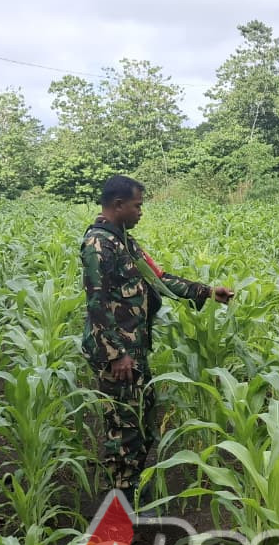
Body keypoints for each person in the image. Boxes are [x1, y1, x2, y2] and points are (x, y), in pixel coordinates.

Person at [79, 174, 234, 507]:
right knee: (124, 430)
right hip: (119, 356)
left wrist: (207, 292)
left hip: (134, 351)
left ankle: (133, 490)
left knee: (141, 424)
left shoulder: (124, 240)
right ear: (118, 205)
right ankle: (123, 502)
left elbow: (159, 279)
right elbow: (97, 304)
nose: (141, 212)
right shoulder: (98, 244)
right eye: (137, 206)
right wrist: (116, 355)